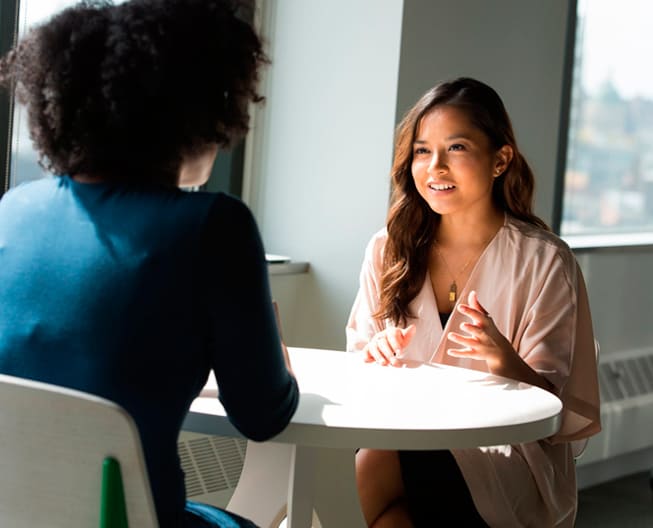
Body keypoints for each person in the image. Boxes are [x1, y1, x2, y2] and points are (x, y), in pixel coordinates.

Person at [0, 1, 299, 527]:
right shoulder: (213, 227)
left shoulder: (14, 209)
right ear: (192, 112)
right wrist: (277, 357)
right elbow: (263, 415)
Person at [346, 77, 601, 527]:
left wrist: (507, 364)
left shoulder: (544, 261)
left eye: (457, 148)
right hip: (404, 436)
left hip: (507, 457)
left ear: (500, 159)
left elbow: (556, 414)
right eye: (422, 151)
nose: (434, 167)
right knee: (376, 459)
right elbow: (357, 367)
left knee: (379, 463)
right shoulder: (387, 249)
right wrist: (374, 353)